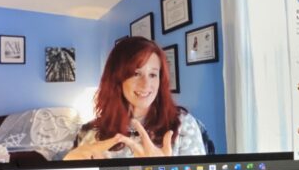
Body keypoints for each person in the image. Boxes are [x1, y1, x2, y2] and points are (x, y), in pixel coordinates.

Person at [64, 37, 206, 160]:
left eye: (152, 75)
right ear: (117, 79)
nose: (146, 84)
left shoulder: (182, 125)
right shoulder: (89, 132)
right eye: (136, 74)